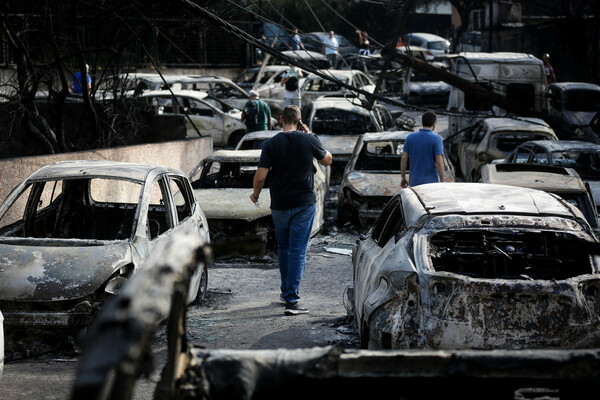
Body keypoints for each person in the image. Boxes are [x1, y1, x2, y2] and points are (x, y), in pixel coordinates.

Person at [250, 105, 332, 315]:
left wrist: (255, 195)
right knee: (297, 251)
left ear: (280, 119)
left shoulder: (271, 144)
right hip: (303, 204)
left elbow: (260, 176)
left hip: (279, 204)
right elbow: (327, 160)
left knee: (285, 250)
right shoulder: (309, 140)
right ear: (300, 120)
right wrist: (310, 135)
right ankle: (292, 301)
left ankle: (286, 292)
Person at [401, 111, 444, 188]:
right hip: (432, 184)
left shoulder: (410, 138)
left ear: (422, 123)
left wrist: (403, 177)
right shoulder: (437, 139)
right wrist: (442, 181)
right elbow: (439, 162)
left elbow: (403, 159)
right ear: (434, 124)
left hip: (414, 184)